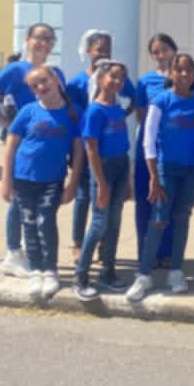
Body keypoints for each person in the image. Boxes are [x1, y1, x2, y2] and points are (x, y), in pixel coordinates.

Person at [0, 22, 65, 279]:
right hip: (22, 145)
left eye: (49, 38)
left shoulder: (55, 72)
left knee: (38, 201)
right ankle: (13, 255)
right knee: (19, 199)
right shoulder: (16, 69)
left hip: (47, 145)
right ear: (28, 40)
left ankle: (30, 251)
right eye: (39, 37)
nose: (44, 43)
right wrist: (9, 125)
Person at [127, 53, 194, 302]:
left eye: (188, 70)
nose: (184, 74)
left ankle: (176, 270)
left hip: (191, 171)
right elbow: (148, 139)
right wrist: (153, 175)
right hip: (166, 170)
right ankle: (144, 274)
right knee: (158, 219)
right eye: (179, 70)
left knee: (182, 219)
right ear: (171, 73)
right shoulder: (161, 101)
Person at [0, 65, 82, 300]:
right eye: (35, 85)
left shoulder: (73, 113)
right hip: (23, 178)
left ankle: (50, 270)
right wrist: (6, 180)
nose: (41, 87)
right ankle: (35, 270)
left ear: (55, 79)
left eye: (44, 81)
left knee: (46, 221)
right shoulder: (28, 111)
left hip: (52, 181)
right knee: (29, 224)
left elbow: (78, 152)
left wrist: (73, 184)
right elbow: (11, 146)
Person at [66, 30, 135, 263]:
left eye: (108, 50)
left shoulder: (116, 76)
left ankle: (104, 245)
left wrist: (122, 114)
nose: (103, 53)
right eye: (99, 49)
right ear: (88, 51)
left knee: (109, 203)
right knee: (84, 196)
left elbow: (132, 96)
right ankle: (78, 244)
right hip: (86, 146)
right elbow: (69, 106)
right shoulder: (78, 81)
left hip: (109, 149)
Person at [73, 59, 133, 300]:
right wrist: (100, 184)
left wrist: (127, 180)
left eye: (122, 78)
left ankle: (108, 272)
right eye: (113, 76)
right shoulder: (95, 111)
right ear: (100, 78)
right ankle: (81, 276)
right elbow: (91, 149)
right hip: (103, 168)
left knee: (114, 222)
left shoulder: (117, 108)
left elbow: (123, 144)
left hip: (121, 165)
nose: (117, 82)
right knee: (99, 223)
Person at [134, 33, 178, 267]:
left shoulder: (182, 77)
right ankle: (147, 252)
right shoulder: (145, 81)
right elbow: (140, 114)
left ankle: (168, 251)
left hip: (173, 144)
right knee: (147, 198)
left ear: (173, 50)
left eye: (164, 50)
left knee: (170, 199)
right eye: (156, 52)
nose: (161, 55)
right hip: (149, 143)